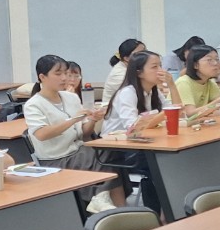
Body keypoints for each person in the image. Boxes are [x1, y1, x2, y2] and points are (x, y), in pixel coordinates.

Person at [23, 56, 122, 208]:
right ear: (42, 77)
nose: (64, 78)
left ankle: (112, 204)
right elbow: (41, 134)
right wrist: (73, 119)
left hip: (79, 151)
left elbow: (84, 133)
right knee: (104, 157)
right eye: (58, 73)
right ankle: (102, 199)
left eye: (65, 73)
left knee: (113, 154)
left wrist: (93, 119)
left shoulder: (71, 97)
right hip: (57, 158)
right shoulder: (33, 105)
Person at [102, 51, 180, 213]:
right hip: (118, 148)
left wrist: (172, 85)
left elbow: (177, 111)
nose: (161, 70)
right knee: (161, 164)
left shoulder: (154, 91)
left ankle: (166, 212)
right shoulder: (127, 92)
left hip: (142, 142)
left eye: (160, 65)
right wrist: (163, 115)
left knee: (174, 158)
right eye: (154, 67)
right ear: (139, 72)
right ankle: (159, 213)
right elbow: (132, 127)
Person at [175, 44, 220, 119]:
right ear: (195, 65)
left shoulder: (210, 82)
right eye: (209, 60)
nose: (216, 63)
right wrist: (218, 101)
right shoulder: (183, 82)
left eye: (217, 59)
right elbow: (189, 114)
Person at [103, 38, 145, 104]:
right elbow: (138, 91)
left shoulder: (135, 68)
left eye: (145, 52)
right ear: (126, 58)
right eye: (139, 54)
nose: (145, 56)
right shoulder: (118, 73)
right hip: (114, 108)